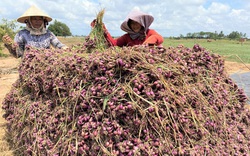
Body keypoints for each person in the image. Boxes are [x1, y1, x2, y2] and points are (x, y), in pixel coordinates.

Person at [2, 5, 68, 58]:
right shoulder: (21, 34)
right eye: (34, 19)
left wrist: (65, 48)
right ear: (29, 21)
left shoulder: (48, 34)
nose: (37, 21)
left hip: (47, 66)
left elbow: (57, 44)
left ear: (43, 21)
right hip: (29, 68)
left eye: (40, 19)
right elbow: (18, 54)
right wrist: (10, 45)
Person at [91, 10, 164, 47]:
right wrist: (104, 30)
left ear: (142, 23)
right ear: (129, 25)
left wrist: (147, 44)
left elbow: (159, 38)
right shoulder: (127, 37)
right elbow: (114, 43)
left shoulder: (149, 32)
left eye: (136, 23)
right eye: (132, 24)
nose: (134, 26)